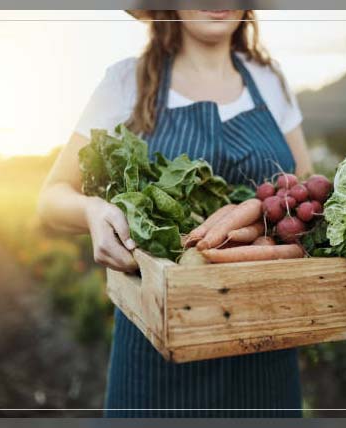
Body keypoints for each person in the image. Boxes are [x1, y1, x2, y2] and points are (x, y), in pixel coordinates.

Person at [38, 9, 313, 417]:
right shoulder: (125, 83)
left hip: (265, 347)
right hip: (156, 352)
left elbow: (304, 185)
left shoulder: (269, 79)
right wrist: (93, 211)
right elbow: (50, 198)